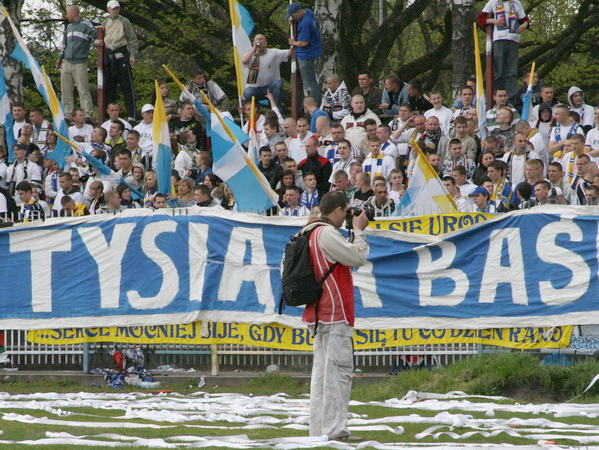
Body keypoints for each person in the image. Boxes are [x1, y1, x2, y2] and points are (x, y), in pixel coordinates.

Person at [300, 190, 368, 442]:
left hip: (317, 312)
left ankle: (318, 430)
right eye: (345, 212)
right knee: (338, 372)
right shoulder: (326, 233)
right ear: (338, 210)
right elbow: (358, 257)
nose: (346, 218)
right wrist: (359, 230)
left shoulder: (307, 231)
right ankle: (335, 430)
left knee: (321, 375)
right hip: (333, 312)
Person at [477, 0, 530, 104]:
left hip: (513, 40)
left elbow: (525, 20)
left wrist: (524, 25)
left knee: (511, 72)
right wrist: (494, 21)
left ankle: (510, 101)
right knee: (499, 71)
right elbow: (480, 19)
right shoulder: (493, 2)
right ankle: (498, 98)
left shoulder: (516, 3)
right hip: (499, 40)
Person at [97, 0, 139, 122]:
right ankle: (110, 114)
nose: (116, 10)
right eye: (113, 8)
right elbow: (101, 40)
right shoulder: (105, 23)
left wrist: (133, 55)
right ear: (108, 9)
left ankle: (131, 115)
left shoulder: (124, 21)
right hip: (110, 57)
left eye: (117, 8)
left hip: (121, 56)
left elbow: (132, 39)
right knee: (110, 88)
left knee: (127, 87)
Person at [59, 5, 96, 122]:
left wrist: (98, 41)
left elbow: (96, 35)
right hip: (67, 62)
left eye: (68, 13)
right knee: (66, 89)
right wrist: (60, 57)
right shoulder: (69, 27)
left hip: (80, 62)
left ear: (74, 13)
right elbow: (64, 44)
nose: (67, 16)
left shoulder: (86, 24)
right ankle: (67, 114)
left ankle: (87, 113)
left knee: (83, 89)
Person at [287, 3, 323, 104]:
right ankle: (304, 105)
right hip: (311, 52)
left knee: (309, 84)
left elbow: (304, 43)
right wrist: (294, 20)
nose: (292, 17)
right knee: (300, 82)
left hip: (306, 55)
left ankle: (315, 104)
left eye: (293, 15)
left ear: (298, 12)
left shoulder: (305, 24)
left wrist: (293, 42)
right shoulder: (308, 12)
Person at [242, 34, 290, 108]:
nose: (258, 41)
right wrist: (254, 48)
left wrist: (294, 44)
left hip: (269, 87)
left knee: (278, 84)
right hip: (255, 89)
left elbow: (289, 52)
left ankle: (276, 110)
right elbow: (244, 61)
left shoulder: (273, 53)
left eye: (261, 39)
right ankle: (257, 109)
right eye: (256, 39)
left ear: (265, 43)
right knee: (248, 93)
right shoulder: (250, 54)